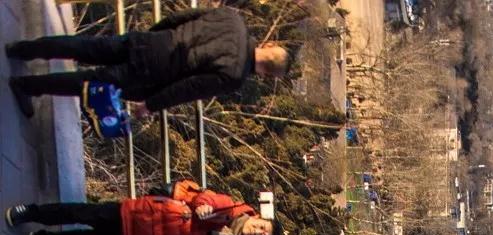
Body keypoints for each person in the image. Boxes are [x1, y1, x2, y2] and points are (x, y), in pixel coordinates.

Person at [6, 11, 294, 118]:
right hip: (155, 70)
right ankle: (27, 86)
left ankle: (22, 49)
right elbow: (188, 88)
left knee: (86, 47)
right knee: (90, 82)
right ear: (267, 76)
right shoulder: (234, 75)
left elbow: (181, 18)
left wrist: (155, 34)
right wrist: (150, 105)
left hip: (152, 41)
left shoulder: (234, 20)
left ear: (269, 45)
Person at [6, 179, 283, 235]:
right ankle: (31, 213)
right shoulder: (233, 208)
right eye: (262, 228)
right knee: (81, 213)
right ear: (258, 218)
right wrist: (203, 207)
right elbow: (206, 198)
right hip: (145, 216)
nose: (258, 232)